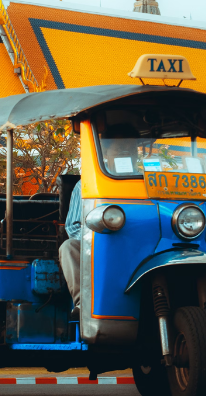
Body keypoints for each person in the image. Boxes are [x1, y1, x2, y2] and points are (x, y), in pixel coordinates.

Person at [59, 123, 145, 310]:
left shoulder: (148, 181)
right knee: (69, 248)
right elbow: (73, 227)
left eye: (130, 147)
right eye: (119, 147)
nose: (125, 151)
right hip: (99, 246)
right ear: (105, 152)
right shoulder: (85, 184)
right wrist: (98, 239)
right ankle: (84, 304)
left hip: (142, 243)